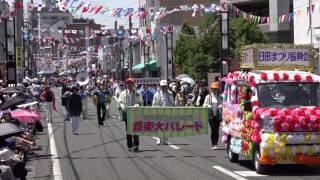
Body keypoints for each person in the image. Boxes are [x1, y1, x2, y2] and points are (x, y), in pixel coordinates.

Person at [118, 78, 143, 152]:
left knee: (135, 129)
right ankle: (129, 145)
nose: (129, 85)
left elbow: (141, 102)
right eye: (128, 83)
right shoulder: (123, 93)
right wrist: (122, 106)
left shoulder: (137, 93)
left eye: (131, 83)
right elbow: (119, 102)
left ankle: (136, 145)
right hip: (127, 112)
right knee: (128, 130)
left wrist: (137, 105)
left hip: (135, 113)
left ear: (133, 84)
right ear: (126, 84)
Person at [152, 80, 175, 145]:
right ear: (160, 86)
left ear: (167, 86)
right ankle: (159, 139)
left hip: (168, 112)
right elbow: (153, 104)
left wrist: (173, 110)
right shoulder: (156, 94)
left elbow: (172, 102)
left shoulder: (170, 93)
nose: (163, 87)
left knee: (166, 126)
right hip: (159, 112)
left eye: (165, 86)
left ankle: (165, 140)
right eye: (162, 86)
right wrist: (153, 112)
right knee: (159, 126)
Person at [203, 82, 222, 150]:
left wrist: (221, 106)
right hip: (210, 115)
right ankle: (213, 144)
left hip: (217, 115)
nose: (215, 90)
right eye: (213, 89)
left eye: (216, 89)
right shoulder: (208, 97)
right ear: (211, 89)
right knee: (213, 129)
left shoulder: (220, 97)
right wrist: (208, 105)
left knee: (216, 130)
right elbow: (204, 105)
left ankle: (216, 144)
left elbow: (223, 104)